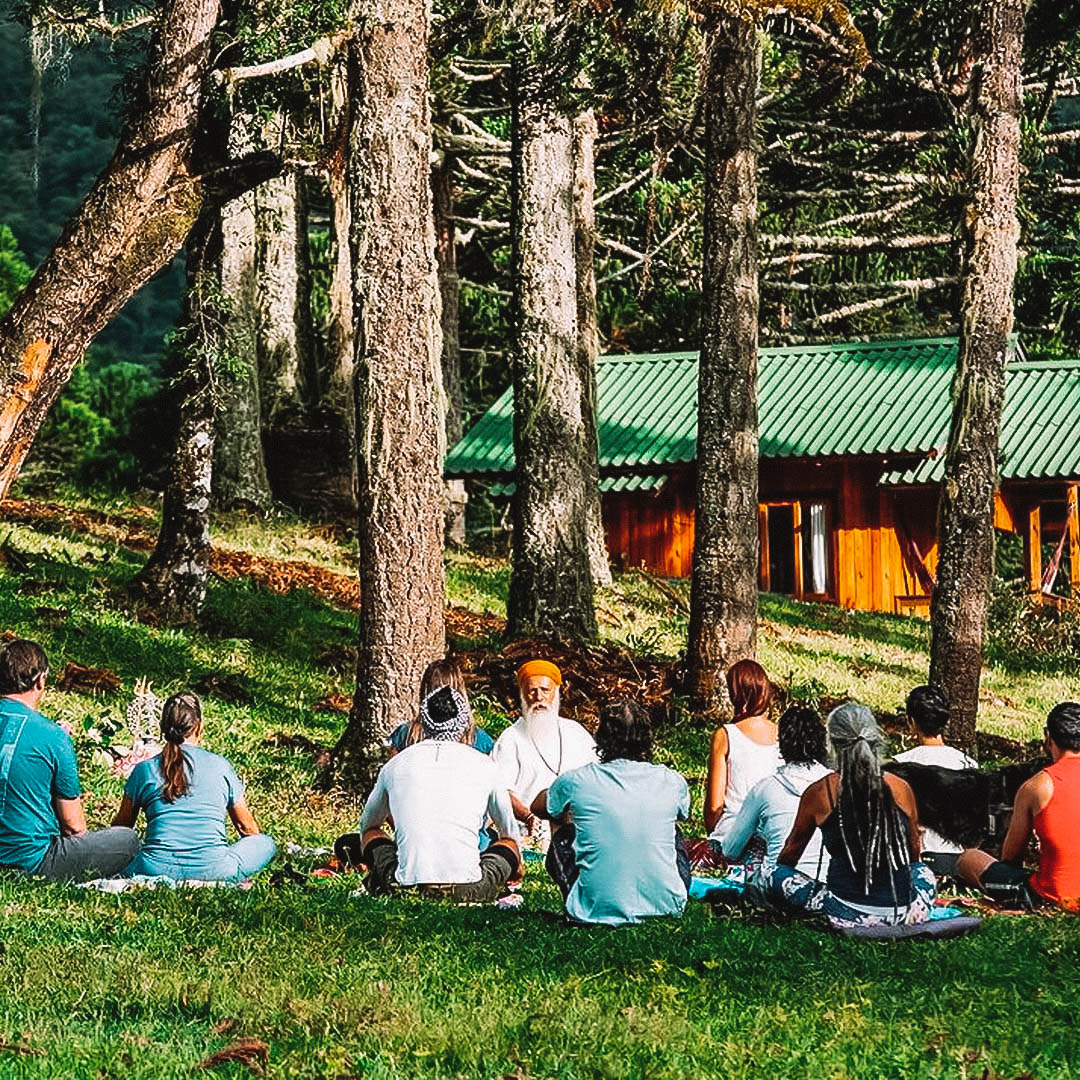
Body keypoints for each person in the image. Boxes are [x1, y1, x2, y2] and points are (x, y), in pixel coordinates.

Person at [766, 702, 935, 927]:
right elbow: (914, 855)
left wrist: (781, 875)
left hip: (844, 912)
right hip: (904, 912)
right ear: (875, 739)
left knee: (770, 872)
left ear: (832, 744)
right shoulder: (901, 787)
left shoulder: (821, 791)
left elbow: (790, 853)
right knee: (924, 872)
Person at [532, 700, 690, 926]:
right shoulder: (672, 781)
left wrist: (563, 802)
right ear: (647, 739)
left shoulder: (577, 780)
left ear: (601, 739)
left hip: (593, 912)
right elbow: (683, 813)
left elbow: (538, 807)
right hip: (668, 908)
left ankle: (583, 897)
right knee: (671, 829)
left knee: (558, 815)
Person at [357, 685, 521, 901]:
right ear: (464, 723)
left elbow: (367, 825)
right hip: (470, 889)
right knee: (508, 844)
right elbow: (509, 833)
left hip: (405, 886)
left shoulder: (395, 764)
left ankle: (380, 882)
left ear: (423, 722)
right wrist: (516, 870)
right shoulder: (485, 765)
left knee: (372, 834)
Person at [0, 639, 139, 880]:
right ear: (41, 680)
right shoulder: (52, 736)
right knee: (127, 840)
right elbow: (73, 827)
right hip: (31, 861)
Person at [113, 691, 275, 882]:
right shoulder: (220, 766)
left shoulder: (144, 770)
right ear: (198, 726)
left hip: (152, 868)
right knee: (266, 843)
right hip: (216, 870)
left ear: (162, 727)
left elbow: (121, 830)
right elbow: (245, 827)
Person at [956, 702, 1080, 912]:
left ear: (1048, 738)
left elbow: (1011, 857)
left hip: (1052, 897)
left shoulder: (1037, 786)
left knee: (968, 859)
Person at [719, 705, 831, 883]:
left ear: (781, 744)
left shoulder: (766, 789)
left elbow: (730, 850)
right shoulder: (835, 787)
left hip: (781, 885)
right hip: (831, 885)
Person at [490, 660, 596, 846]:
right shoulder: (511, 738)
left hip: (578, 831)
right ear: (523, 694)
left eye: (545, 690)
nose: (538, 697)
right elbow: (500, 790)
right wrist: (528, 816)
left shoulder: (577, 733)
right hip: (529, 834)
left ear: (557, 691)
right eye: (532, 691)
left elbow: (597, 779)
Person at [893, 684, 978, 858]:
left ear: (912, 722)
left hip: (917, 856)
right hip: (959, 858)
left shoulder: (901, 765)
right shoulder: (968, 764)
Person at [703, 660, 780, 846]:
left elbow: (715, 806)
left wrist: (713, 837)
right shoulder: (782, 734)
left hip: (732, 831)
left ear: (734, 694)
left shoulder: (726, 735)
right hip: (773, 833)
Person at [386, 657, 494, 756]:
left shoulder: (405, 735)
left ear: (425, 692)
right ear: (460, 692)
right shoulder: (477, 739)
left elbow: (392, 772)